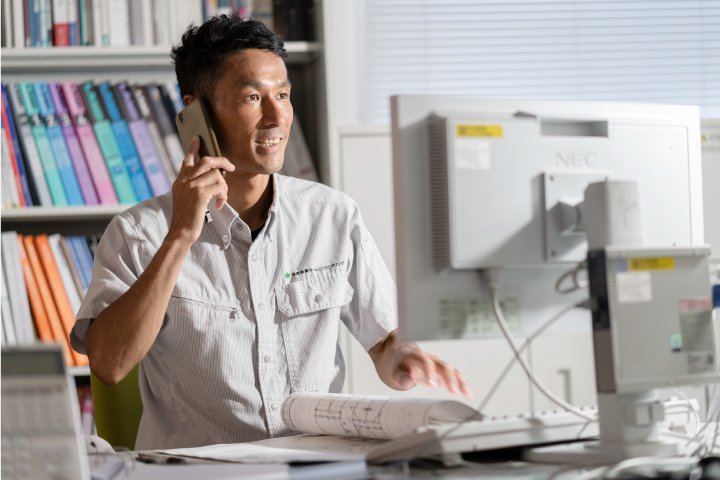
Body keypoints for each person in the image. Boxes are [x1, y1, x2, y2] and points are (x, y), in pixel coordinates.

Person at [70, 15, 472, 450]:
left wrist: (403, 358)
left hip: (316, 464)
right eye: (251, 97)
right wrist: (180, 237)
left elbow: (385, 339)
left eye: (282, 94)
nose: (277, 116)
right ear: (195, 113)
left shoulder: (333, 216)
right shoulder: (138, 233)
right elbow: (109, 365)